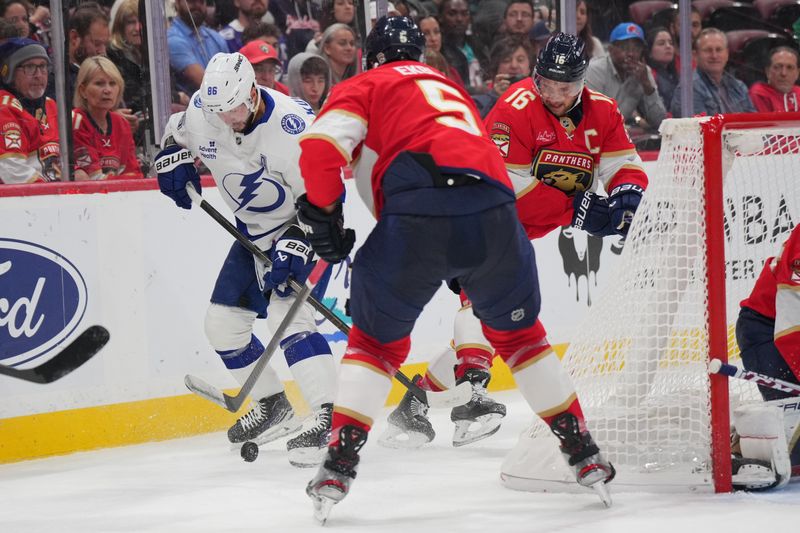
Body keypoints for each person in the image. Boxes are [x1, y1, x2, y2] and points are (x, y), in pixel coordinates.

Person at [296, 17, 615, 521]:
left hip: (418, 212)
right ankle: (582, 450)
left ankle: (340, 461)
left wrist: (323, 216)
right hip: (495, 215)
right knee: (523, 338)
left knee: (375, 344)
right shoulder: (448, 86)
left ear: (370, 56)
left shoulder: (367, 83)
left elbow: (318, 149)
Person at [383, 32, 649, 449]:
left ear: (582, 82)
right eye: (547, 84)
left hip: (517, 228)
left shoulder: (604, 111)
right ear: (536, 76)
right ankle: (472, 392)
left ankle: (413, 404)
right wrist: (577, 209)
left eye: (566, 87)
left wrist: (627, 194)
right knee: (488, 304)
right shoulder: (516, 108)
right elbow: (503, 183)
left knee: (490, 314)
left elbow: (623, 163)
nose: (555, 95)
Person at [154, 51, 337, 468]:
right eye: (219, 111)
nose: (228, 119)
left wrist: (298, 239)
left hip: (305, 229)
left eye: (235, 109)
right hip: (252, 233)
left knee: (290, 317)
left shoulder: (293, 128)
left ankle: (330, 417)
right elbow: (175, 133)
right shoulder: (206, 111)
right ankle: (274, 405)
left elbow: (324, 198)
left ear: (253, 92)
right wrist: (170, 156)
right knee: (222, 327)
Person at [733, 223, 800, 490]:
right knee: (789, 456)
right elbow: (790, 330)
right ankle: (743, 443)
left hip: (786, 330)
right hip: (768, 333)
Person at [585, 22, 666, 132]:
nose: (631, 54)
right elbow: (593, 119)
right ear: (610, 49)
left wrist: (647, 86)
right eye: (625, 47)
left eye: (636, 48)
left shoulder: (643, 72)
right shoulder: (595, 70)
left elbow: (659, 122)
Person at [72, 56, 142, 180]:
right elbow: (94, 179)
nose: (107, 90)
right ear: (83, 90)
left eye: (113, 83)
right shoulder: (76, 121)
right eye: (99, 83)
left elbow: (134, 174)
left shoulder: (121, 123)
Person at [0, 37, 60, 183]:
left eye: (43, 66)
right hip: (26, 202)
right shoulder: (4, 108)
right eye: (30, 67)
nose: (38, 75)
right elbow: (13, 172)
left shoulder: (52, 105)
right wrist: (54, 194)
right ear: (10, 74)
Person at [670, 28, 756, 117]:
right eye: (708, 50)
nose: (714, 56)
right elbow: (699, 128)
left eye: (718, 50)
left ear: (727, 54)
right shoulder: (688, 90)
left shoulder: (739, 87)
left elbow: (754, 123)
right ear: (695, 55)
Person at [167, 0, 228, 94]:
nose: (197, 6)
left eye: (201, 1)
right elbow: (205, 83)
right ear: (178, 3)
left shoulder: (216, 37)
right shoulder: (172, 39)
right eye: (191, 1)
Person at [472, 35, 533, 118]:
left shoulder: (541, 98)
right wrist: (495, 98)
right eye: (506, 61)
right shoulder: (480, 102)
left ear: (529, 67)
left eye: (520, 60)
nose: (514, 65)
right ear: (496, 67)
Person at [748, 46, 800, 113]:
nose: (783, 73)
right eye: (777, 67)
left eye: (790, 68)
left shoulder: (799, 92)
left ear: (797, 73)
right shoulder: (759, 93)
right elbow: (766, 123)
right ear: (767, 71)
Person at [646, 26, 678, 113]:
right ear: (649, 52)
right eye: (661, 43)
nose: (668, 46)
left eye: (671, 43)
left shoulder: (674, 73)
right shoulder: (648, 74)